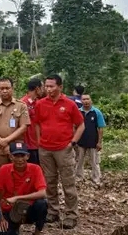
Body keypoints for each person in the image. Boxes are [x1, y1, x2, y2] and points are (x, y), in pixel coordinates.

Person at [34, 74, 84, 228]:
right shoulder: (40, 104)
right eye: (46, 86)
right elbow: (36, 123)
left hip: (64, 149)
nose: (48, 89)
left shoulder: (70, 104)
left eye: (52, 86)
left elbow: (81, 125)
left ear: (60, 87)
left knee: (68, 183)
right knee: (49, 182)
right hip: (45, 150)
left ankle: (71, 215)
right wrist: (39, 141)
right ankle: (53, 211)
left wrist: (73, 142)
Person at [0, 141, 47, 235]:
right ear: (11, 157)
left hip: (29, 208)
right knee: (2, 233)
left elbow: (43, 193)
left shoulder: (35, 169)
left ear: (27, 156)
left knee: (42, 204)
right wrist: (1, 218)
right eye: (16, 156)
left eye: (22, 156)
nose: (20, 159)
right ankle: (14, 228)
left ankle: (38, 232)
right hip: (9, 210)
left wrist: (18, 198)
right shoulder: (3, 169)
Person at [0, 78, 30, 174]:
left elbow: (24, 127)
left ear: (12, 89)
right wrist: (0, 140)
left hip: (17, 148)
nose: (4, 91)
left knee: (19, 173)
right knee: (2, 174)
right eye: (2, 88)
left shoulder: (21, 106)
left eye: (7, 88)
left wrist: (6, 140)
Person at [75, 94, 106, 185]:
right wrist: (74, 140)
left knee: (95, 162)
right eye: (84, 99)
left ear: (91, 100)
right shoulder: (78, 112)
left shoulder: (96, 112)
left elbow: (100, 128)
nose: (86, 101)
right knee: (79, 161)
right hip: (80, 142)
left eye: (87, 99)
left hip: (93, 142)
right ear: (81, 101)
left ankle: (96, 178)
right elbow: (73, 126)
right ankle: (79, 177)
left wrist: (99, 142)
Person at [21, 78, 45, 165]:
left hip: (39, 143)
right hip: (28, 144)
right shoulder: (23, 103)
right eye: (42, 87)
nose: (43, 90)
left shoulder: (39, 102)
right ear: (37, 88)